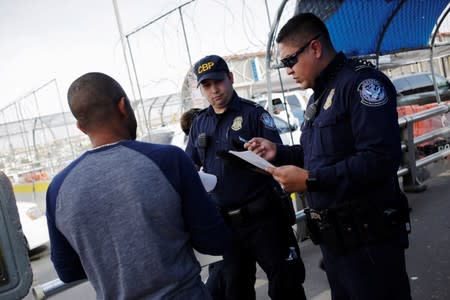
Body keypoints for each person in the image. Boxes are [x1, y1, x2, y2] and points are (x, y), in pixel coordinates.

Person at [246, 13, 412, 300]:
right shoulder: (317, 98)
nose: (288, 71)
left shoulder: (362, 84)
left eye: (289, 61)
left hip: (370, 242)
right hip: (337, 244)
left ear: (315, 48)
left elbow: (380, 159)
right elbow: (320, 155)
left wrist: (310, 180)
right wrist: (278, 153)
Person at [46, 72, 229, 300]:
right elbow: (214, 241)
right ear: (123, 107)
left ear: (81, 127)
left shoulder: (57, 189)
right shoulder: (169, 160)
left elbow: (68, 271)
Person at [185, 55, 306, 300]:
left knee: (286, 287)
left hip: (265, 219)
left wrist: (263, 155)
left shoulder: (254, 115)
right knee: (235, 292)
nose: (214, 90)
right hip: (226, 226)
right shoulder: (200, 123)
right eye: (206, 86)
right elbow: (189, 165)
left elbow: (279, 156)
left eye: (218, 82)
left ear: (230, 78)